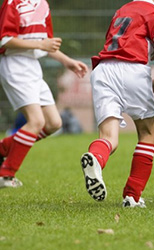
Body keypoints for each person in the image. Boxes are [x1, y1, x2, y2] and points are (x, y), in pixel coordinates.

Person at [80, 0, 154, 208]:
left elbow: (122, 48)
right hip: (133, 69)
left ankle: (96, 157)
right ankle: (132, 196)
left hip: (103, 70)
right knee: (147, 133)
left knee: (108, 138)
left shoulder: (122, 11)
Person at [0, 0, 88, 188]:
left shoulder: (43, 5)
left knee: (54, 123)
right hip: (14, 64)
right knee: (36, 121)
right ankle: (5, 174)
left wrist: (67, 61)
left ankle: (4, 148)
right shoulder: (13, 3)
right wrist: (40, 45)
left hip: (33, 66)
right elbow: (5, 40)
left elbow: (47, 44)